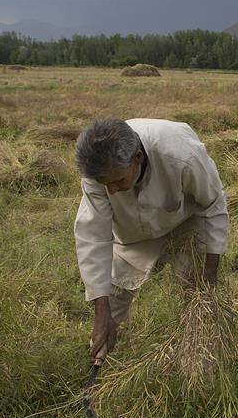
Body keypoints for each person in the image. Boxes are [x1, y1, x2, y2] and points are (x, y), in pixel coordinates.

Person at [74, 118, 228, 362]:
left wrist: (209, 274)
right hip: (132, 233)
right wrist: (100, 314)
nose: (112, 191)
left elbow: (213, 205)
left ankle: (200, 360)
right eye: (106, 185)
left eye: (118, 181)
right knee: (112, 298)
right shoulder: (97, 172)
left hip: (185, 220)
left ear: (138, 158)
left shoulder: (181, 154)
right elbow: (93, 237)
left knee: (197, 292)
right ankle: (109, 362)